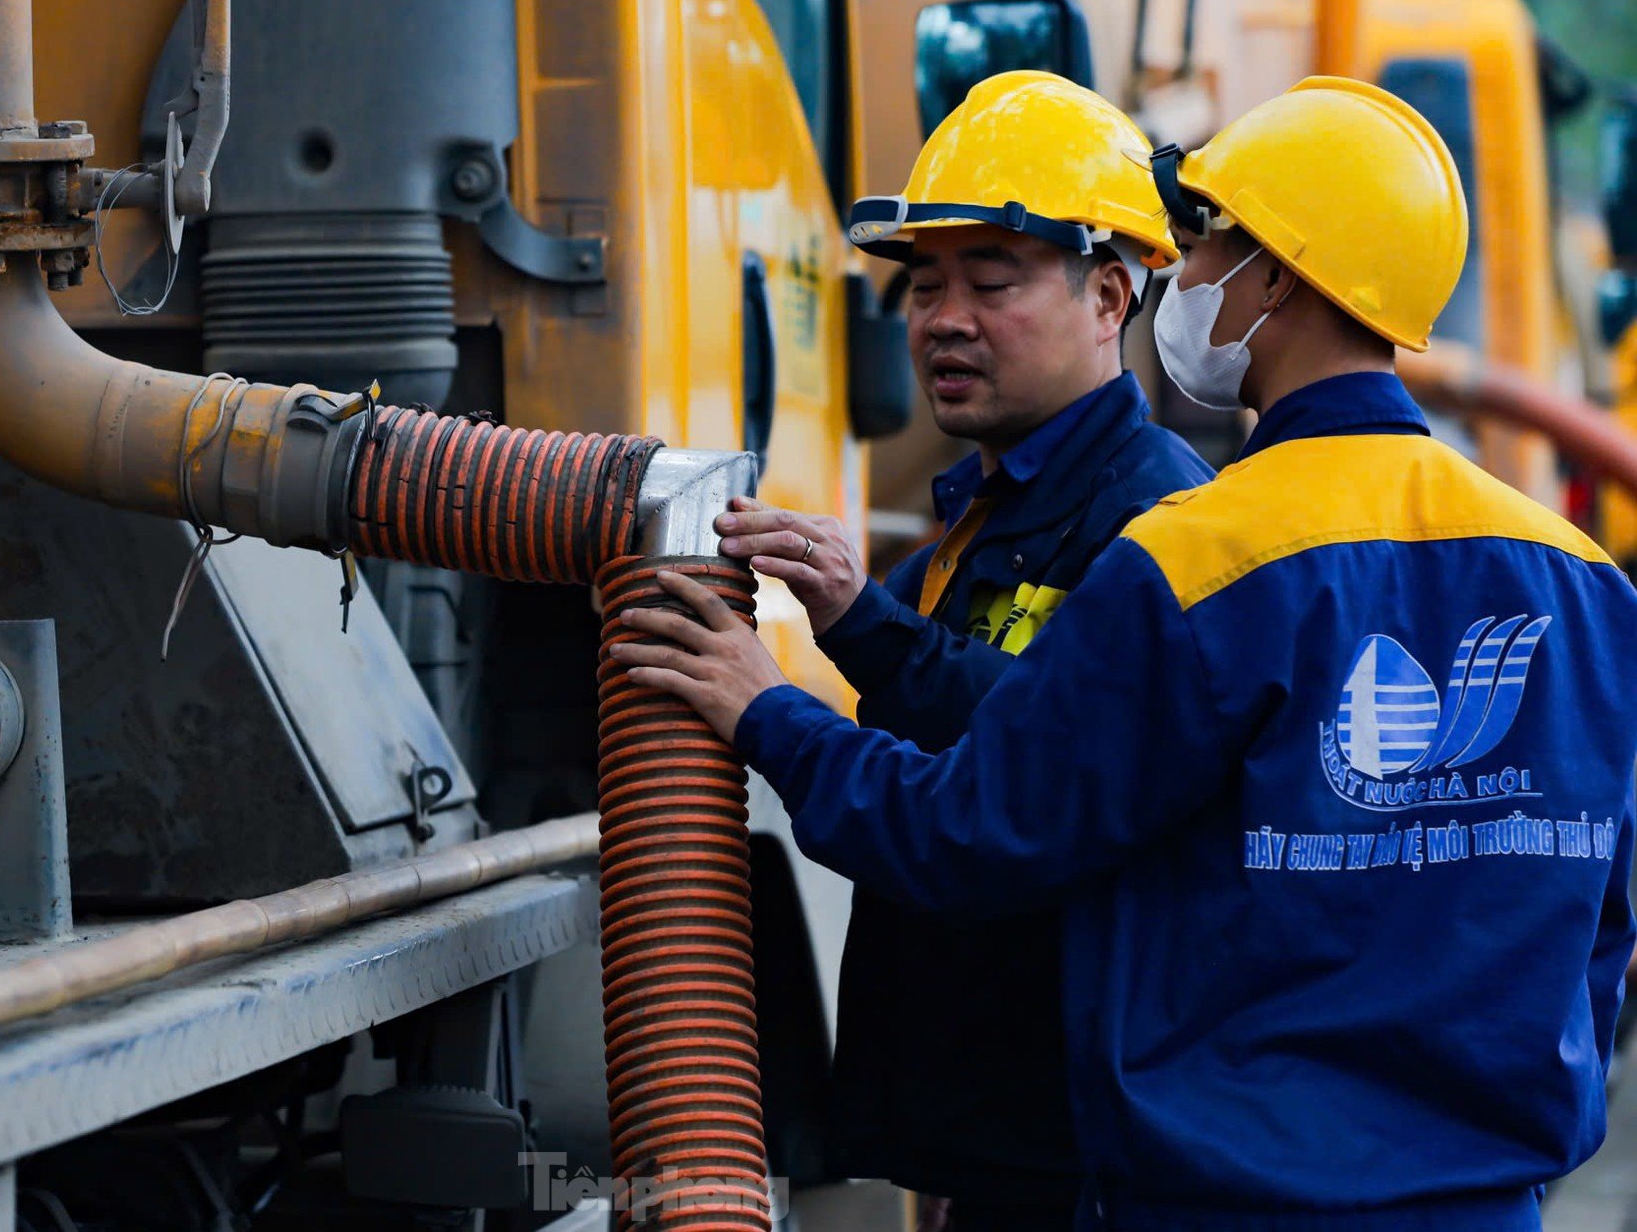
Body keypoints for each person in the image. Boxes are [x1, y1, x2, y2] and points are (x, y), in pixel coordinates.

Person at [616, 76, 1637, 1230]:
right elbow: (1601, 926)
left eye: (1205, 249)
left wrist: (769, 713)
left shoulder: (1194, 557)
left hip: (1224, 1200)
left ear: (1279, 278)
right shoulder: (1585, 579)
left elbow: (972, 829)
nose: (1182, 279)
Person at [713, 70, 1209, 1228]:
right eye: (925, 284)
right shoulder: (987, 512)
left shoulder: (1159, 523)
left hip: (1082, 1158)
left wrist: (803, 682)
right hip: (1001, 1148)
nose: (944, 317)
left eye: (991, 280)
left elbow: (1043, 775)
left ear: (1109, 295)